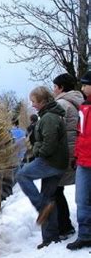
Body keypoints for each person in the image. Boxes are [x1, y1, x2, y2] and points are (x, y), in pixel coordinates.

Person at [16, 86, 68, 249]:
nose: (32, 105)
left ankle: (41, 207)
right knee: (48, 197)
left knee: (22, 175)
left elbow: (48, 146)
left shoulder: (49, 118)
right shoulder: (49, 116)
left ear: (43, 101)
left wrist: (35, 148)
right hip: (57, 163)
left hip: (51, 162)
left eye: (34, 101)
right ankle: (50, 238)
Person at [52, 73, 84, 239]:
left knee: (55, 189)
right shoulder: (82, 101)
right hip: (81, 152)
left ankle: (64, 227)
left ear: (61, 88)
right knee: (84, 190)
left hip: (66, 153)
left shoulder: (62, 104)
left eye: (55, 87)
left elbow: (55, 130)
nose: (53, 90)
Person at [66, 71, 91, 250]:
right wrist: (76, 155)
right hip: (83, 161)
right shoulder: (83, 107)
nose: (82, 88)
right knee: (81, 199)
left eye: (85, 85)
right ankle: (85, 235)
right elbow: (79, 134)